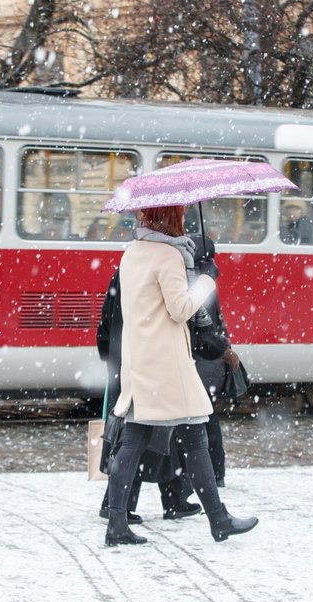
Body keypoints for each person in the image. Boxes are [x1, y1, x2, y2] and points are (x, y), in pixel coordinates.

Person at [105, 204, 258, 546]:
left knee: (131, 443)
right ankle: (219, 521)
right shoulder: (169, 256)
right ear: (172, 218)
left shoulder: (131, 252)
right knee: (195, 439)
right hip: (167, 363)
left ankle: (116, 523)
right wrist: (202, 283)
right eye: (181, 215)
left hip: (139, 357)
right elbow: (181, 309)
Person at [95, 269, 202, 523]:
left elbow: (107, 319)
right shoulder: (165, 270)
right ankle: (164, 499)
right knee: (152, 434)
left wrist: (110, 354)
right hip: (148, 362)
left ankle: (127, 501)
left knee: (138, 434)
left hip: (125, 359)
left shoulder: (128, 270)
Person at [189, 233, 239, 487]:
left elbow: (203, 330)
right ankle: (214, 472)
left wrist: (220, 350)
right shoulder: (207, 278)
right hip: (210, 362)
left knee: (202, 421)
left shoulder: (199, 283)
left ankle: (211, 474)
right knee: (206, 418)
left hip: (203, 361)